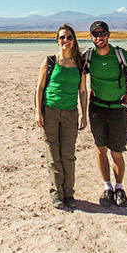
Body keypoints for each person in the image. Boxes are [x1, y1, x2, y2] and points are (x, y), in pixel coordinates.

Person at [35, 24, 88, 209]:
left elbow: (82, 91)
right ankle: (57, 194)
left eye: (69, 37)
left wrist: (84, 114)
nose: (66, 41)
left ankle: (69, 194)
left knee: (68, 156)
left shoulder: (80, 63)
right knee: (53, 156)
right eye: (62, 37)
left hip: (70, 114)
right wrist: (37, 112)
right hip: (50, 112)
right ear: (57, 40)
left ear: (74, 41)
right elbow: (40, 87)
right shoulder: (50, 61)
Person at [85, 20, 127, 208]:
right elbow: (75, 76)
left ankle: (119, 187)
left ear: (108, 35)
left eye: (102, 33)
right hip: (97, 108)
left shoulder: (121, 55)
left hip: (118, 109)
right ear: (91, 37)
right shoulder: (88, 56)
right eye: (95, 34)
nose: (99, 37)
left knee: (117, 151)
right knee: (100, 149)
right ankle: (108, 188)